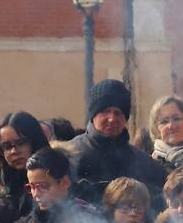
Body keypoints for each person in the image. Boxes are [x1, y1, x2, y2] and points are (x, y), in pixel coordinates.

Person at [70, 79, 167, 207]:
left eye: (118, 113)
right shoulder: (70, 155)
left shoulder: (145, 164)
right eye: (105, 111)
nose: (111, 119)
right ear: (93, 114)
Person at [0, 110, 52, 220]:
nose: (13, 151)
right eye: (7, 146)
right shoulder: (2, 186)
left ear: (35, 141)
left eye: (21, 143)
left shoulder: (56, 177)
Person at [148, 94, 183, 173]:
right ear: (156, 129)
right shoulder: (151, 166)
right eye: (164, 122)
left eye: (177, 119)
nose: (171, 125)